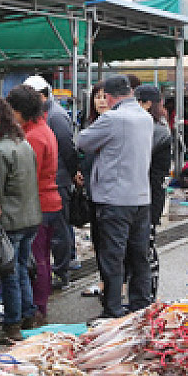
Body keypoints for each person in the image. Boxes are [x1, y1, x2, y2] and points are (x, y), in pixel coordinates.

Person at [77, 75, 153, 319]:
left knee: (113, 257)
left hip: (114, 199)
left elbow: (82, 141)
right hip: (141, 197)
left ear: (109, 97)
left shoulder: (112, 118)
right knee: (139, 255)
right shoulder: (145, 116)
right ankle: (140, 304)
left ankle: (112, 309)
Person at [0, 96, 41, 343]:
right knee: (22, 268)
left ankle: (12, 324)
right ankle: (27, 315)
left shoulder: (0, 151)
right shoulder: (23, 144)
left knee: (10, 274)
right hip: (31, 217)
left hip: (12, 221)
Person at [6, 85, 61, 326]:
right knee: (40, 259)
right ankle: (38, 306)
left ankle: (37, 308)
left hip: (39, 203)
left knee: (35, 260)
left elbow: (28, 176)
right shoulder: (41, 129)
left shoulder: (34, 137)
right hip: (47, 202)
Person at [24, 75, 81, 289]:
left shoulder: (55, 116)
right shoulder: (40, 116)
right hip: (49, 182)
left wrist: (73, 171)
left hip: (58, 181)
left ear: (43, 96)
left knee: (59, 230)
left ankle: (62, 270)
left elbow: (68, 146)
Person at [135, 85, 173, 299]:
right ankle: (144, 292)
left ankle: (148, 294)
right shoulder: (155, 125)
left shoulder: (155, 129)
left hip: (151, 193)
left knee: (146, 245)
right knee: (144, 244)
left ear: (147, 104)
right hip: (149, 192)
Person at [80, 83, 109, 299]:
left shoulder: (116, 124)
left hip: (110, 193)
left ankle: (116, 282)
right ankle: (103, 279)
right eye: (97, 97)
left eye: (104, 96)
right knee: (98, 238)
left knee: (112, 240)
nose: (100, 101)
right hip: (91, 189)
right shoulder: (89, 123)